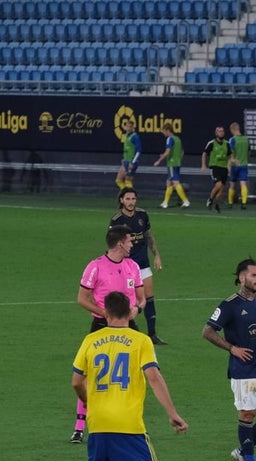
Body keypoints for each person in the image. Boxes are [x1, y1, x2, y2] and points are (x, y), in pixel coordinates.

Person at [72, 291, 188, 461]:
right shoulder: (140, 341)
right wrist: (172, 412)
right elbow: (154, 377)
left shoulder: (91, 340)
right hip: (128, 424)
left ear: (107, 313)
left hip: (98, 424)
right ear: (129, 312)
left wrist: (88, 402)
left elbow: (76, 382)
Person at [203, 259, 256, 461]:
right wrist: (231, 348)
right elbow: (207, 331)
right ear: (242, 277)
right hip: (243, 370)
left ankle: (241, 451)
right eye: (254, 276)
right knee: (247, 413)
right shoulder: (229, 305)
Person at [71, 225, 146, 444]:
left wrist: (137, 309)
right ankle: (79, 425)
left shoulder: (133, 266)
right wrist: (106, 313)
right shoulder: (95, 267)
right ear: (120, 243)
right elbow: (82, 298)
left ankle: (131, 419)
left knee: (141, 370)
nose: (133, 244)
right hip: (102, 325)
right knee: (88, 374)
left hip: (129, 326)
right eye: (130, 240)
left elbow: (142, 298)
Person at [110, 188, 166, 345]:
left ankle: (152, 334)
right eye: (127, 199)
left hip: (142, 264)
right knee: (125, 298)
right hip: (125, 266)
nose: (131, 202)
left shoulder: (142, 215)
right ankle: (121, 329)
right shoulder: (116, 220)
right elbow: (112, 243)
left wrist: (156, 255)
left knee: (148, 296)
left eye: (133, 199)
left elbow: (148, 235)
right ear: (121, 200)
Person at [153, 124, 189, 209]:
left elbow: (167, 151)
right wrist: (177, 158)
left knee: (175, 182)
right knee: (169, 183)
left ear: (167, 130)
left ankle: (185, 201)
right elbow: (182, 152)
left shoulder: (170, 139)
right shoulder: (178, 139)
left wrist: (159, 160)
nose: (163, 133)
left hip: (172, 164)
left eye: (163, 131)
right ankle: (165, 203)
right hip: (177, 163)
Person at [201, 125, 232, 213]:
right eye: (219, 131)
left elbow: (230, 156)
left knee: (221, 189)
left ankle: (216, 205)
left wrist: (229, 166)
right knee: (218, 185)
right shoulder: (211, 143)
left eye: (222, 131)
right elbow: (204, 154)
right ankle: (210, 199)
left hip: (224, 168)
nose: (221, 133)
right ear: (216, 133)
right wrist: (203, 165)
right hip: (215, 167)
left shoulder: (227, 144)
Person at [227, 122, 250, 210]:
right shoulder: (246, 139)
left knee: (232, 184)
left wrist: (231, 161)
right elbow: (249, 152)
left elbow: (230, 153)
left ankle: (230, 203)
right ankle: (244, 203)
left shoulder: (232, 139)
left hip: (234, 165)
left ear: (232, 129)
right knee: (243, 183)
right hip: (244, 164)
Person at [115, 117, 141, 190]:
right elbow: (127, 149)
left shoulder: (135, 136)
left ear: (133, 127)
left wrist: (133, 162)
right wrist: (124, 158)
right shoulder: (126, 136)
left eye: (130, 126)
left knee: (127, 181)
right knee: (119, 180)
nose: (128, 128)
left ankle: (130, 196)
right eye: (127, 126)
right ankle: (127, 194)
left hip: (131, 162)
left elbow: (139, 150)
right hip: (126, 161)